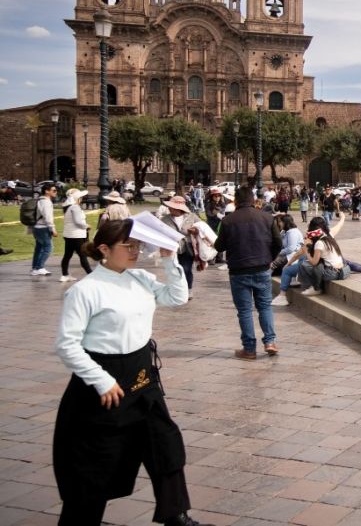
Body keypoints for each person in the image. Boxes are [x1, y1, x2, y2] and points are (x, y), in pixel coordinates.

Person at [52, 219, 212, 526]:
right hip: (104, 384)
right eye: (129, 246)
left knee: (165, 444)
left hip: (141, 378)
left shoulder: (139, 278)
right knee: (95, 464)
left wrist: (169, 259)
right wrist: (102, 381)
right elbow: (67, 345)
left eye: (138, 245)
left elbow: (176, 297)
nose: (135, 251)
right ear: (104, 249)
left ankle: (176, 515)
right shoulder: (86, 291)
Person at [213, 187, 281, 360]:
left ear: (235, 201)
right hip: (262, 268)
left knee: (244, 310)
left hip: (238, 270)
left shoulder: (229, 221)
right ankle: (270, 342)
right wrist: (269, 259)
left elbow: (219, 247)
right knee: (265, 306)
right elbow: (278, 243)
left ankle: (249, 349)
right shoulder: (266, 218)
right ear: (253, 200)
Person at [296, 215, 349, 295]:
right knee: (319, 262)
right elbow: (340, 224)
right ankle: (312, 286)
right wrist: (342, 217)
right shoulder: (329, 236)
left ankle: (315, 288)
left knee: (304, 264)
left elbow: (314, 262)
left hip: (333, 273)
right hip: (345, 270)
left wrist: (306, 250)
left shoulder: (319, 243)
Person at [159, 196, 201, 295]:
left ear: (179, 208)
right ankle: (177, 290)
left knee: (186, 269)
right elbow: (160, 231)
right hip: (171, 248)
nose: (169, 208)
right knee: (174, 270)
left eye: (171, 207)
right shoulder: (165, 219)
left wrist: (195, 230)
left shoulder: (192, 217)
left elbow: (202, 228)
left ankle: (188, 289)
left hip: (187, 248)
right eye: (169, 207)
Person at [60, 188, 93, 282]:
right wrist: (86, 226)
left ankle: (64, 274)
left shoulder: (68, 207)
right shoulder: (75, 207)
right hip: (77, 235)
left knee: (67, 255)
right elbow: (78, 222)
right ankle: (90, 274)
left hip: (69, 235)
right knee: (82, 255)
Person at [29, 183, 59, 276]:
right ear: (47, 191)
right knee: (48, 248)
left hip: (36, 227)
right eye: (54, 190)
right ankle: (39, 267)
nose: (56, 192)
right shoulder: (46, 202)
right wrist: (53, 229)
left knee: (39, 248)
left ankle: (35, 268)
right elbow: (48, 217)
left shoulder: (40, 200)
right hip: (43, 228)